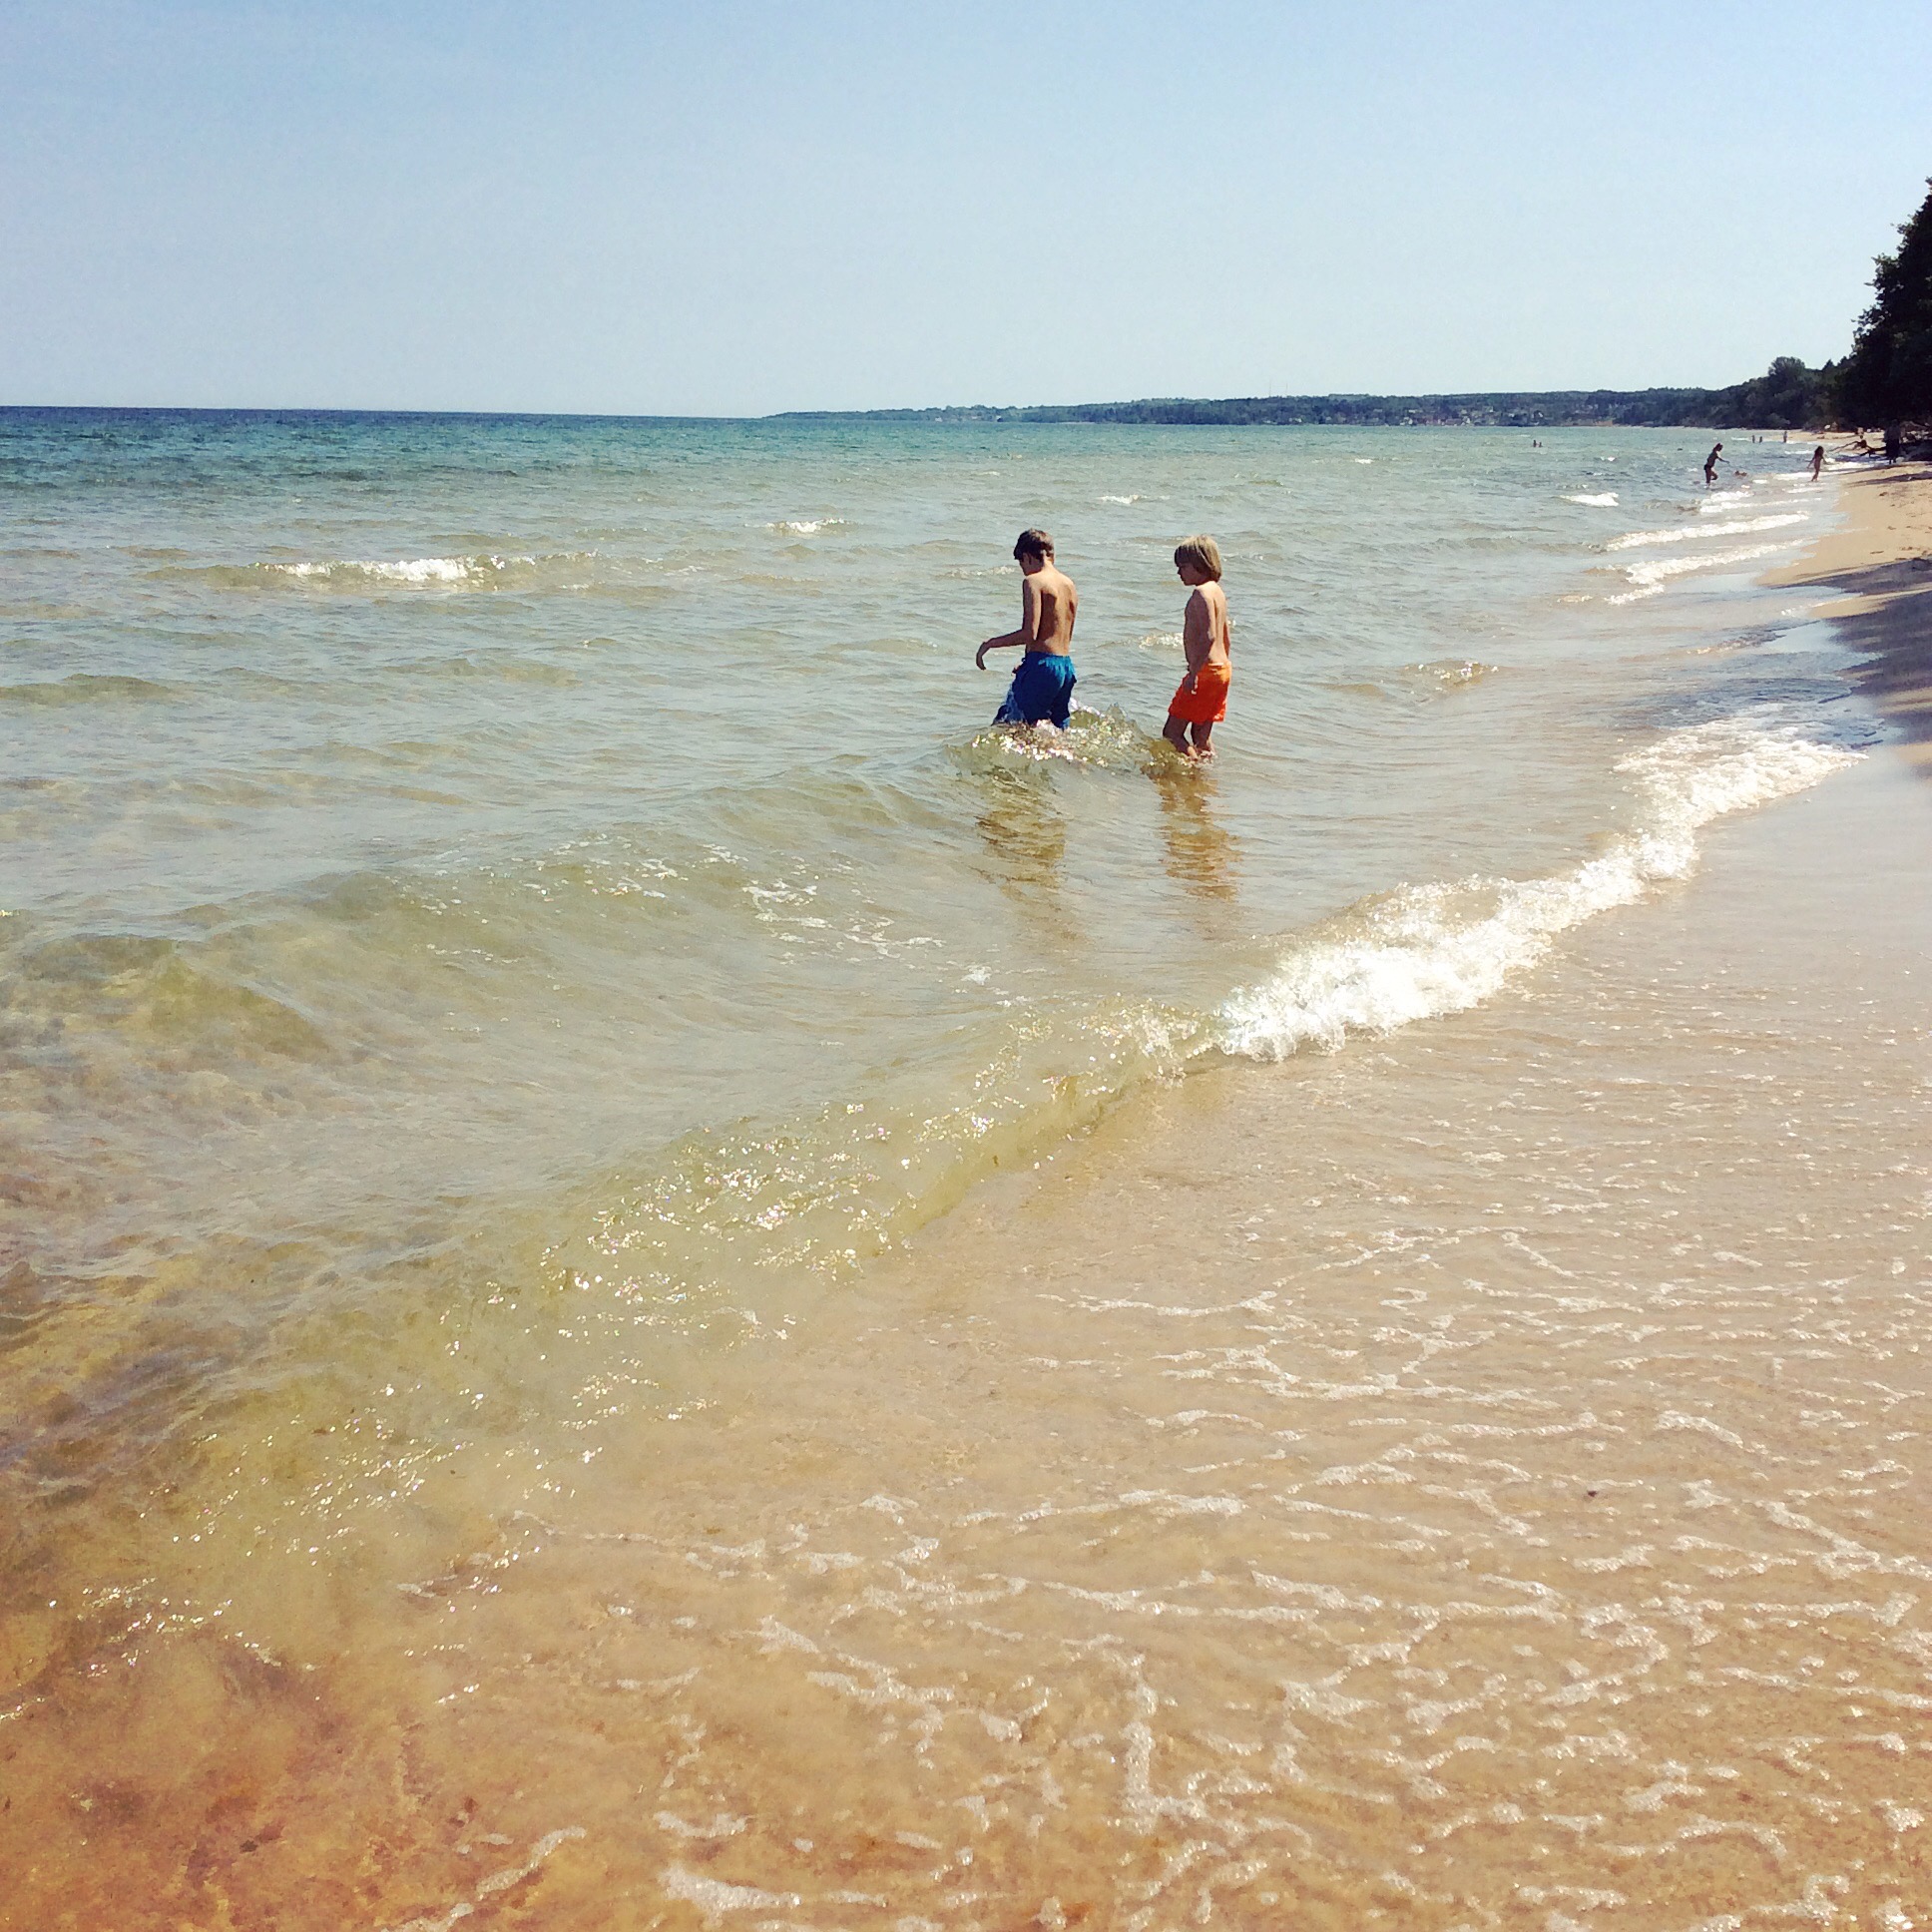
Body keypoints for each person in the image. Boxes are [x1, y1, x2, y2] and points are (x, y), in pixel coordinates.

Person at [976, 528, 1078, 727]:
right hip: (1065, 667)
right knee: (1055, 733)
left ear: (1027, 557)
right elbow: (1061, 633)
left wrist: (990, 644)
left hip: (1042, 666)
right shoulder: (1068, 584)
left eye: (1021, 563)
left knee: (1007, 726)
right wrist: (1029, 660)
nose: (1023, 569)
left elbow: (1030, 633)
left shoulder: (1033, 581)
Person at [1163, 535, 1232, 762]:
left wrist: (1194, 672)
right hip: (1222, 669)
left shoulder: (1201, 594)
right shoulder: (1217, 592)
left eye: (1182, 567)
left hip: (1205, 671)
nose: (1178, 573)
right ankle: (1207, 778)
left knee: (1172, 733)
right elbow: (1225, 637)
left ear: (1200, 565)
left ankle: (1195, 775)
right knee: (1200, 734)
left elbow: (1210, 636)